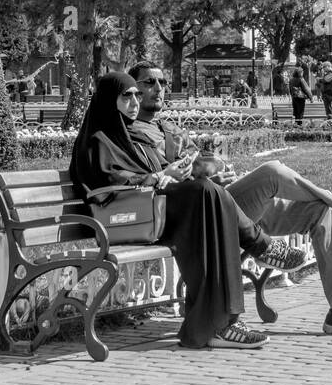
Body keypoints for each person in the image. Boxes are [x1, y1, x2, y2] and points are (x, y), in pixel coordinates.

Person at [128, 63, 332, 339]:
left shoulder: (169, 127)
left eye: (163, 82)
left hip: (226, 205)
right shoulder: (130, 132)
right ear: (132, 90)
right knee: (273, 171)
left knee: (318, 211)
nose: (158, 88)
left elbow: (201, 168)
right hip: (199, 216)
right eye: (148, 82)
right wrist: (174, 176)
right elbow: (147, 181)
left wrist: (217, 174)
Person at [70, 72, 308, 350]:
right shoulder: (98, 139)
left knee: (210, 205)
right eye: (127, 96)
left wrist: (173, 174)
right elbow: (104, 183)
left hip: (155, 211)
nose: (135, 101)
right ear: (109, 100)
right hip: (126, 219)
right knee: (205, 192)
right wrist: (158, 177)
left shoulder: (128, 134)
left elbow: (149, 173)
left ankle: (221, 324)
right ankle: (260, 250)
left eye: (137, 94)